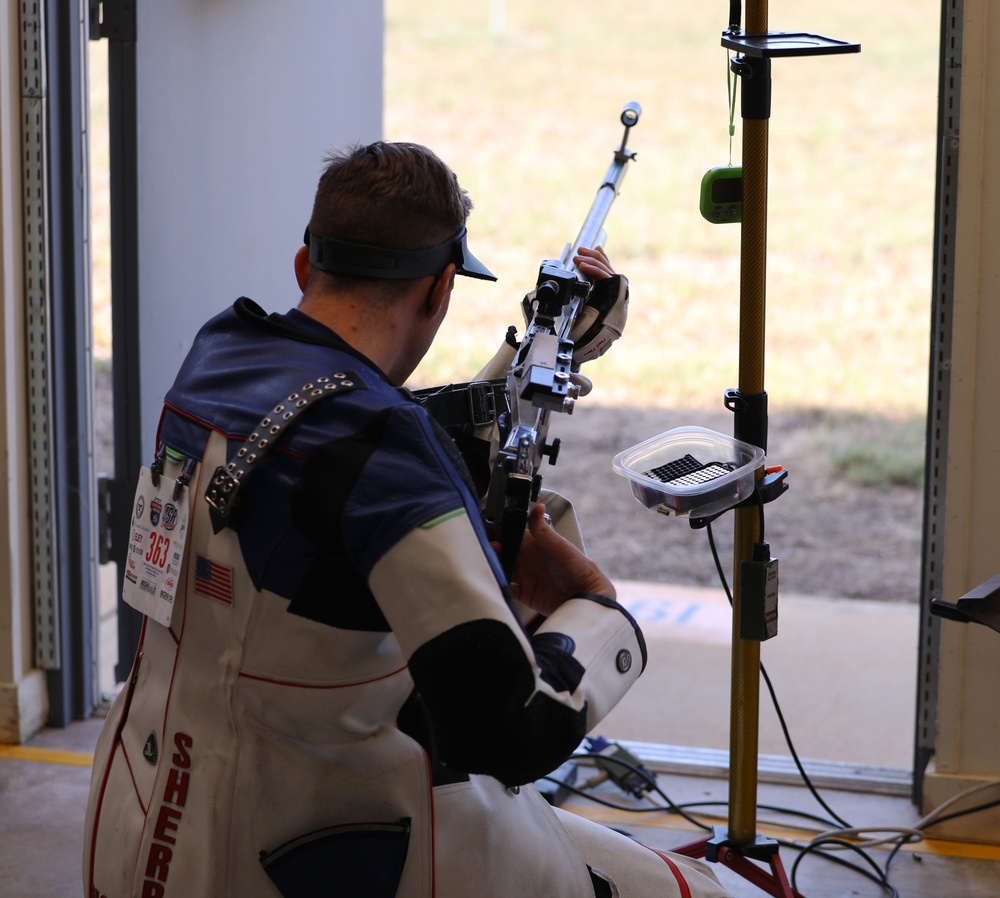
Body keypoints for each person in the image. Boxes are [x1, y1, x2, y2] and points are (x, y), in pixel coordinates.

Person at [84, 141, 730, 898]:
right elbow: (508, 730)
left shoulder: (218, 355)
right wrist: (596, 609)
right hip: (319, 854)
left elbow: (338, 443)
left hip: (139, 822)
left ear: (304, 267)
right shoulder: (382, 453)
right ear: (440, 290)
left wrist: (532, 353)